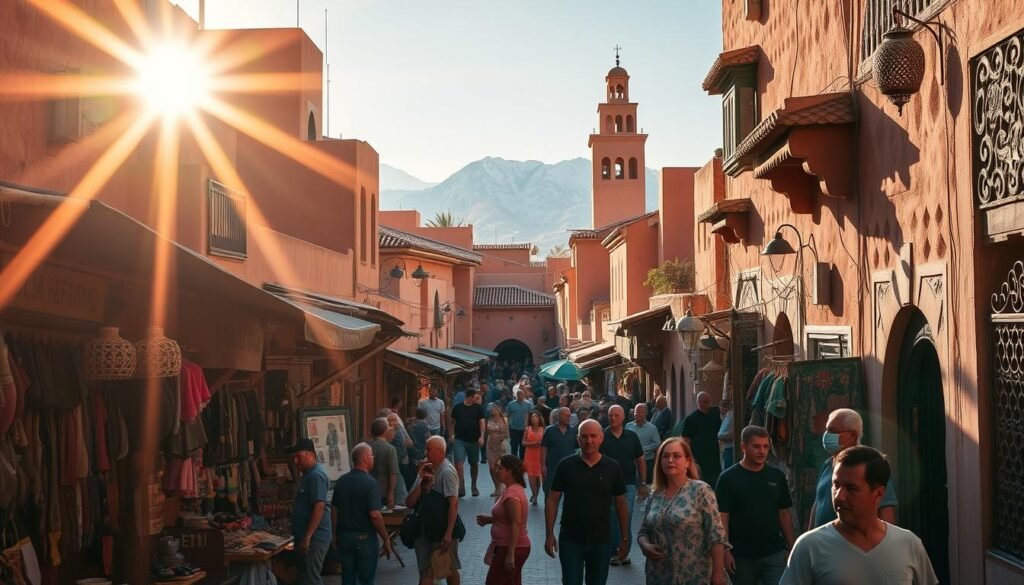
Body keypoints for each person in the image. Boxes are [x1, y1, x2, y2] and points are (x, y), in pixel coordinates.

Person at [780, 446, 938, 585]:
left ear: (878, 493)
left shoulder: (909, 544)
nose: (839, 496)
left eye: (851, 488)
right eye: (836, 485)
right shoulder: (809, 547)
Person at [544, 420, 629, 585]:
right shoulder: (566, 465)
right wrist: (549, 534)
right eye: (584, 436)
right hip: (571, 538)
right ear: (578, 439)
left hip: (601, 539)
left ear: (601, 438)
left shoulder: (612, 467)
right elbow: (553, 500)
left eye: (593, 436)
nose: (589, 440)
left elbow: (621, 503)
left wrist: (625, 538)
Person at [638, 437, 727, 585]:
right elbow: (644, 531)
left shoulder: (700, 490)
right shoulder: (655, 494)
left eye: (676, 456)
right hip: (659, 575)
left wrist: (718, 573)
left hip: (695, 575)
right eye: (665, 456)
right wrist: (645, 546)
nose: (670, 460)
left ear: (687, 461)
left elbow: (716, 534)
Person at [715, 425, 795, 585]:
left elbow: (784, 513)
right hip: (741, 556)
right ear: (743, 446)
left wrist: (792, 546)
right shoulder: (728, 478)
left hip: (774, 553)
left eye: (766, 446)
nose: (762, 451)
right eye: (756, 446)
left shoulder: (777, 476)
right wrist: (725, 550)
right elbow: (722, 517)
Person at [808, 408, 897, 529]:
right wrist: (809, 535)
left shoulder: (871, 464)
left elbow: (886, 510)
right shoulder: (828, 464)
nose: (827, 436)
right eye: (827, 430)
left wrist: (883, 544)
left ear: (853, 435)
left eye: (833, 431)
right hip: (822, 543)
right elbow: (818, 503)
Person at [331, 443, 392, 585]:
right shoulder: (371, 483)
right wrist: (385, 538)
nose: (373, 458)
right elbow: (375, 514)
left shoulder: (341, 481)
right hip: (364, 538)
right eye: (371, 455)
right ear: (365, 459)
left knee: (348, 577)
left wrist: (334, 533)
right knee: (366, 579)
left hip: (344, 535)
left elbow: (334, 509)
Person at [406, 436, 463, 585]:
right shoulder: (425, 470)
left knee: (449, 567)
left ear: (439, 451)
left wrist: (449, 532)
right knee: (426, 571)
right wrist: (421, 480)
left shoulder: (447, 471)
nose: (426, 453)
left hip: (441, 529)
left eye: (428, 449)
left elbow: (453, 503)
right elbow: (410, 502)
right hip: (424, 530)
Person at [600, 405, 647, 566]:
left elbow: (640, 460)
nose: (613, 418)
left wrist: (643, 483)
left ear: (623, 417)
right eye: (610, 415)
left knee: (626, 516)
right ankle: (614, 552)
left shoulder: (632, 436)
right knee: (612, 517)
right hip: (607, 484)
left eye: (616, 415)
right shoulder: (602, 436)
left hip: (628, 483)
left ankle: (625, 552)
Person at [476, 455, 531, 585]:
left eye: (500, 468)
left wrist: (510, 553)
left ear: (509, 471)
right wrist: (490, 520)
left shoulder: (512, 494)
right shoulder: (510, 490)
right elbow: (509, 518)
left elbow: (516, 523)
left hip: (510, 548)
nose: (496, 471)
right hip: (509, 547)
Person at [287, 438, 332, 585]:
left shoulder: (316, 476)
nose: (295, 461)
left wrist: (307, 537)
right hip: (309, 537)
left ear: (310, 454)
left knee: (310, 578)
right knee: (305, 577)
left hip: (315, 538)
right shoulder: (308, 475)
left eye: (298, 456)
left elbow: (319, 506)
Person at [681, 391, 723, 488]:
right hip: (698, 458)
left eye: (709, 401)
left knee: (714, 482)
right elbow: (685, 439)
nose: (709, 404)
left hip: (713, 457)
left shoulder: (714, 416)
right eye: (706, 402)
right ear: (699, 402)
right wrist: (690, 456)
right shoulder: (691, 419)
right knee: (700, 484)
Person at [450, 388, 486, 497]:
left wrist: (482, 436)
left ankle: (474, 486)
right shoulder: (457, 407)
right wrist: (452, 434)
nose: (477, 399)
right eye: (475, 397)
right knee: (459, 463)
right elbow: (452, 421)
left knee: (473, 463)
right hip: (459, 439)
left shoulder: (478, 408)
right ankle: (461, 486)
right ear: (469, 397)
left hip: (473, 440)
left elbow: (482, 422)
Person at [541, 407, 578, 501]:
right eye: (566, 416)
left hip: (570, 468)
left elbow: (578, 448)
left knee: (571, 496)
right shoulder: (549, 430)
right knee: (549, 495)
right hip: (553, 467)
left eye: (569, 416)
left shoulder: (574, 431)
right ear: (559, 416)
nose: (569, 418)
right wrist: (543, 465)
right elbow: (544, 447)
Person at [367, 417, 399, 509]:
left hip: (367, 489)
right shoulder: (390, 449)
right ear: (385, 432)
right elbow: (393, 473)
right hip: (383, 491)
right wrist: (391, 493)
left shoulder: (366, 446)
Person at [627, 403, 661, 485]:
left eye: (640, 412)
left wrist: (642, 449)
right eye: (636, 412)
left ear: (646, 413)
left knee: (647, 486)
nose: (637, 414)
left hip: (647, 462)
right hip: (632, 463)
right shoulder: (628, 426)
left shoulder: (652, 428)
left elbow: (657, 443)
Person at [485, 403, 511, 497]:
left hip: (501, 446)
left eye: (494, 409)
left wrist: (502, 439)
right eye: (491, 409)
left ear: (499, 409)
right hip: (490, 445)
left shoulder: (505, 420)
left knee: (502, 467)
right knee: (492, 468)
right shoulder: (490, 419)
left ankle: (503, 486)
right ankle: (497, 487)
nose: (492, 410)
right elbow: (486, 432)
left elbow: (507, 434)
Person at [387, 412, 415, 495]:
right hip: (395, 461)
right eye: (390, 420)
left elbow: (410, 443)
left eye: (395, 420)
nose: (393, 422)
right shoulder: (388, 430)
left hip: (402, 460)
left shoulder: (399, 428)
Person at [522, 411, 546, 505]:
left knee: (538, 477)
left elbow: (546, 443)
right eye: (532, 417)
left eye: (536, 417)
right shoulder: (527, 429)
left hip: (539, 455)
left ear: (539, 418)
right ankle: (534, 495)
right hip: (530, 454)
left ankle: (535, 495)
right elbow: (523, 443)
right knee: (531, 477)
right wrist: (533, 444)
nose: (534, 418)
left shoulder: (543, 429)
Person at [505, 389, 533, 459]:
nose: (519, 395)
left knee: (523, 447)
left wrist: (530, 426)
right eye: (518, 394)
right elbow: (507, 415)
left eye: (521, 394)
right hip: (513, 428)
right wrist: (506, 426)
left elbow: (531, 416)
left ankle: (522, 462)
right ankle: (513, 462)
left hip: (524, 429)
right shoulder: (511, 404)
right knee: (514, 446)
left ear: (524, 395)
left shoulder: (528, 404)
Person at [718, 399, 735, 469]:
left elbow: (732, 435)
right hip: (727, 448)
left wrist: (719, 436)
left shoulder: (731, 416)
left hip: (731, 448)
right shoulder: (727, 416)